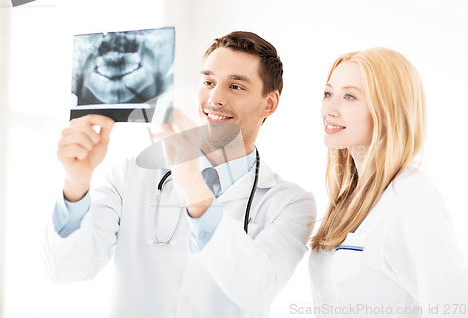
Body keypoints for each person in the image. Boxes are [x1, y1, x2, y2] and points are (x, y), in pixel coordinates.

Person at [43, 31, 316, 318]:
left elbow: (256, 289)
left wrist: (195, 190)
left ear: (269, 104)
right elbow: (65, 269)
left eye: (235, 86)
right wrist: (76, 182)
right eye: (208, 82)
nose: (214, 98)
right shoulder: (130, 175)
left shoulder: (292, 203)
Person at [309, 48, 468, 317]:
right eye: (328, 94)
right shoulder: (351, 196)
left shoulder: (411, 195)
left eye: (349, 96)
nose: (329, 109)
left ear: (387, 111)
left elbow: (459, 309)